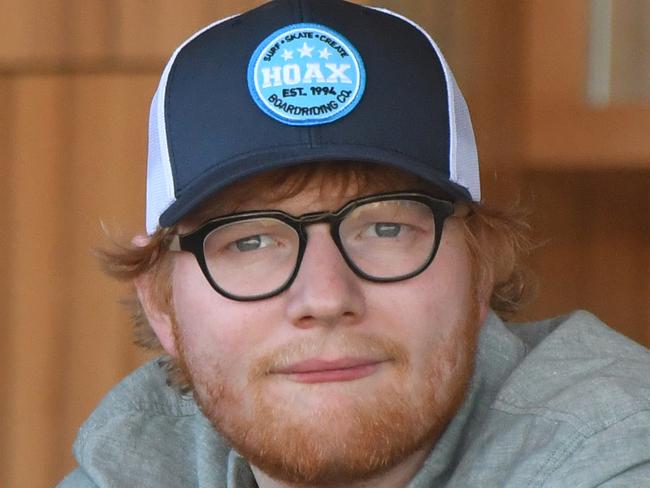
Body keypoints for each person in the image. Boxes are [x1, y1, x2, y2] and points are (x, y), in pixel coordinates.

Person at [59, 1, 650, 487]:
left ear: (481, 268)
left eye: (385, 228)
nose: (323, 296)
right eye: (250, 241)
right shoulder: (137, 461)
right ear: (161, 306)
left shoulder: (616, 448)